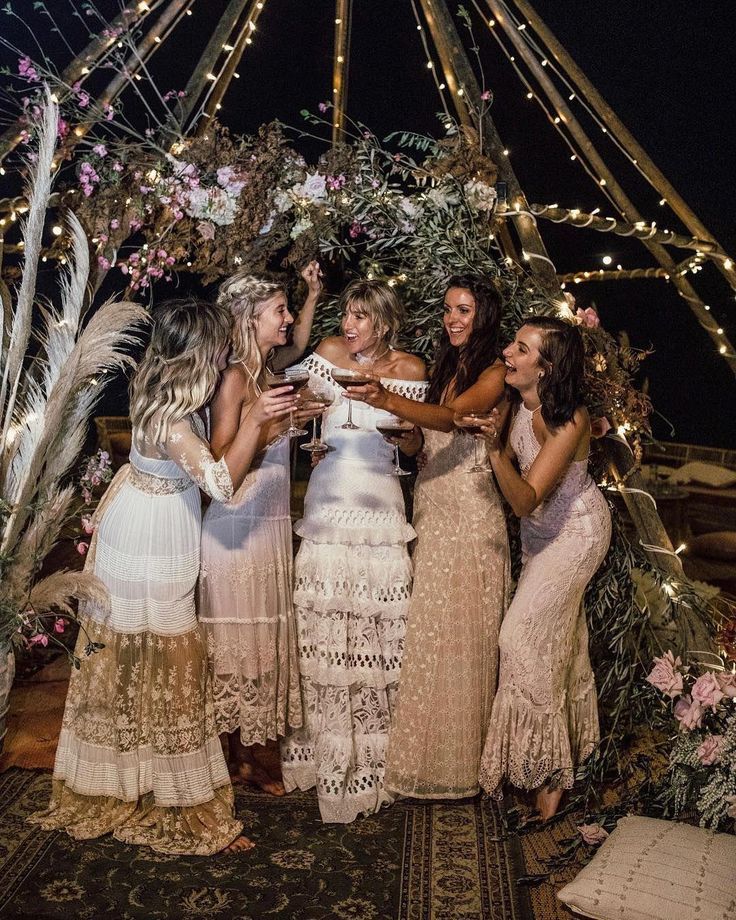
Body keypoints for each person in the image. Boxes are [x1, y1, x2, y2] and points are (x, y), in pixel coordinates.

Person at [29, 298, 297, 855]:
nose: (226, 351)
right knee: (170, 661)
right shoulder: (172, 420)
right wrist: (254, 419)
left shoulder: (167, 393)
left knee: (139, 659)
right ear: (197, 350)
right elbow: (221, 486)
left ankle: (132, 780)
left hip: (144, 517)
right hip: (152, 538)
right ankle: (178, 801)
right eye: (218, 344)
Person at [347, 274, 510, 800]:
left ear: (483, 315)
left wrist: (389, 400)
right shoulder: (447, 367)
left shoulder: (495, 371)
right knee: (431, 635)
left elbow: (462, 418)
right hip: (434, 506)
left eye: (463, 309)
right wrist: (412, 438)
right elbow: (428, 442)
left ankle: (461, 768)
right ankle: (423, 760)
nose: (452, 319)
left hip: (473, 515)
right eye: (447, 309)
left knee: (464, 640)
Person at [280, 278, 427, 823]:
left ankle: (376, 758)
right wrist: (305, 413)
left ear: (385, 323)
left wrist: (405, 436)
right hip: (327, 500)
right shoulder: (328, 355)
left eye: (361, 316)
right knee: (321, 624)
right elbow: (295, 406)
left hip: (381, 507)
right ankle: (321, 754)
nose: (349, 325)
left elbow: (415, 442)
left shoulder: (409, 371)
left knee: (378, 630)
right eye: (348, 313)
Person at [477, 315, 611, 820]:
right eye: (512, 343)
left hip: (576, 535)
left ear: (547, 367)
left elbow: (526, 497)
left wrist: (493, 453)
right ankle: (570, 760)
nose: (508, 353)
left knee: (520, 636)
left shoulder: (567, 419)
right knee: (563, 645)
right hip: (539, 538)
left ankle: (549, 776)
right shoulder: (517, 404)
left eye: (521, 348)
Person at [199, 263, 322, 796]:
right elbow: (220, 464)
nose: (289, 319)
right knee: (232, 642)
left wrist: (313, 293)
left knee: (259, 643)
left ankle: (252, 759)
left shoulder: (268, 373)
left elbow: (298, 345)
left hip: (270, 529)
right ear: (250, 320)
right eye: (280, 311)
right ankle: (228, 763)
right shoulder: (231, 379)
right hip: (236, 529)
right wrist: (275, 425)